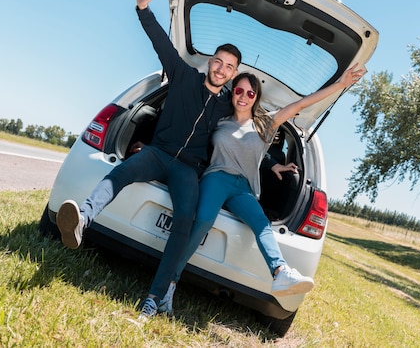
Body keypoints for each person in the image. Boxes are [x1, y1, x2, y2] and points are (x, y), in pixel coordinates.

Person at [55, 0, 240, 318]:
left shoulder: (228, 108)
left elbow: (253, 130)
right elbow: (161, 43)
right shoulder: (185, 76)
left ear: (232, 73)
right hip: (158, 154)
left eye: (228, 67)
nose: (221, 68)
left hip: (188, 171)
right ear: (211, 62)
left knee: (185, 220)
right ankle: (82, 218)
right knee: (122, 172)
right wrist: (143, 9)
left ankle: (154, 299)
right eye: (218, 61)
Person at [151, 64, 367, 316]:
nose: (243, 97)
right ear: (232, 94)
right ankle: (170, 284)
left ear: (256, 98)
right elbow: (188, 132)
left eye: (250, 93)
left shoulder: (265, 123)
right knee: (203, 220)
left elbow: (301, 105)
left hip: (244, 186)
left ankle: (281, 272)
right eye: (238, 91)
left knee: (262, 224)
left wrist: (341, 84)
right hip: (216, 178)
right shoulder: (219, 120)